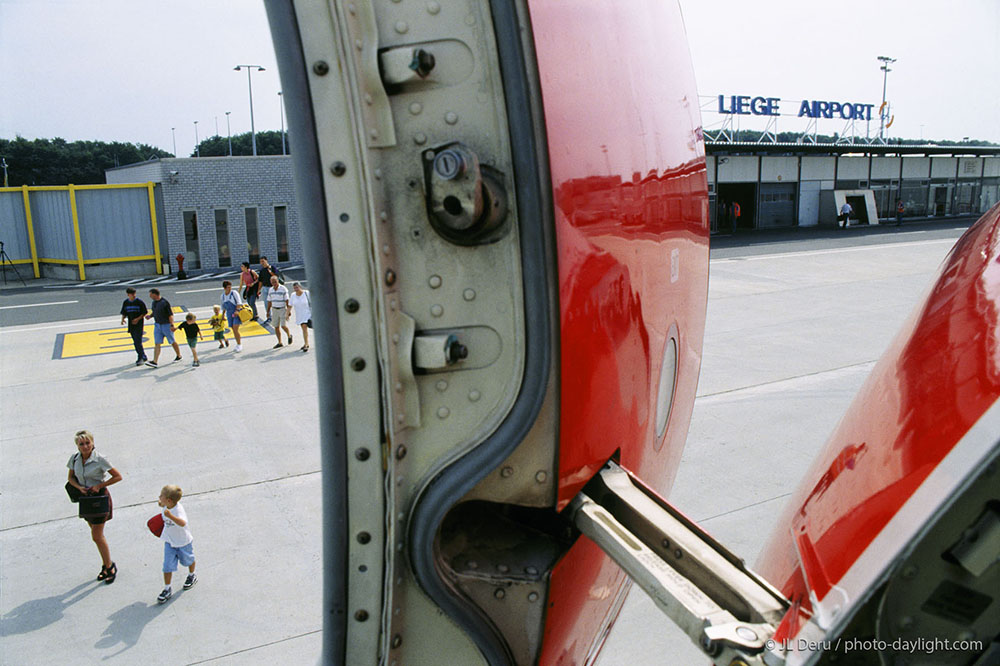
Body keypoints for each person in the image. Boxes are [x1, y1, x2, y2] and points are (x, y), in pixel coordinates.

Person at [66, 430, 123, 584]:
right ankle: (106, 564)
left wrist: (99, 485)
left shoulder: (100, 459)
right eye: (81, 444)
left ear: (92, 443)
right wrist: (79, 487)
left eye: (87, 443)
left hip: (99, 499)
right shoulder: (75, 458)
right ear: (77, 446)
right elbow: (70, 477)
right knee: (96, 534)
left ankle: (109, 567)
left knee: (97, 536)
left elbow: (118, 476)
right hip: (85, 500)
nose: (85, 446)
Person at [156, 485, 197, 604]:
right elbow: (162, 504)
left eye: (161, 496)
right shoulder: (166, 505)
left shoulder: (177, 510)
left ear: (169, 500)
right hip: (170, 542)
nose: (159, 497)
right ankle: (167, 588)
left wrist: (170, 516)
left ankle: (192, 575)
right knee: (167, 566)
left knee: (188, 560)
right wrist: (161, 504)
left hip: (183, 542)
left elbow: (183, 523)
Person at [144, 288, 181, 367]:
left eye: (150, 294)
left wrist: (172, 325)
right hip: (157, 325)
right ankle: (155, 361)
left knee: (172, 341)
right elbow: (155, 311)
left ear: (155, 294)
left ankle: (179, 355)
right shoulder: (154, 302)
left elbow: (170, 315)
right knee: (157, 343)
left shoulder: (165, 303)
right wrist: (150, 316)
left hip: (166, 325)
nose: (150, 296)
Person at [119, 287, 148, 367]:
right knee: (135, 341)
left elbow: (144, 312)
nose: (134, 295)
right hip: (131, 325)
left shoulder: (139, 302)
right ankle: (143, 355)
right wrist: (123, 319)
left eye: (134, 294)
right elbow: (124, 312)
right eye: (132, 294)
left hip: (138, 325)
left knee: (137, 341)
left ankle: (140, 357)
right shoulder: (126, 302)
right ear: (128, 295)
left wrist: (137, 319)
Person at [267, 274, 293, 348]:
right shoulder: (270, 290)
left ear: (278, 281)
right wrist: (268, 311)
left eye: (275, 282)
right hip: (274, 309)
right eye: (272, 282)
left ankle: (289, 335)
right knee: (276, 326)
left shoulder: (283, 289)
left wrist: (288, 311)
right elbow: (269, 301)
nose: (274, 283)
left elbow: (287, 300)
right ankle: (279, 342)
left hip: (282, 309)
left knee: (283, 325)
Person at [288, 282, 312, 352]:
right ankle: (306, 344)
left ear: (300, 287)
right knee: (304, 328)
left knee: (309, 328)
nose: (296, 289)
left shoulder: (306, 293)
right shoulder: (293, 295)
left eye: (297, 287)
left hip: (309, 314)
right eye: (294, 288)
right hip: (300, 315)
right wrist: (287, 313)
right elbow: (290, 305)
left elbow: (313, 301)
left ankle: (306, 344)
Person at [221, 281, 244, 352]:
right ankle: (238, 343)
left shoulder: (234, 293)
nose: (230, 288)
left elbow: (239, 302)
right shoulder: (223, 296)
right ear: (224, 288)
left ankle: (239, 344)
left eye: (230, 287)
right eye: (228, 287)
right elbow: (223, 306)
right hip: (229, 313)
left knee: (235, 328)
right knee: (233, 329)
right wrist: (223, 315)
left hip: (236, 312)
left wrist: (237, 310)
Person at [258, 257, 280, 322]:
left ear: (266, 261)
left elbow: (276, 276)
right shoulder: (262, 270)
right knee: (266, 303)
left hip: (272, 288)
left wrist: (270, 272)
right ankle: (269, 317)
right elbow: (260, 281)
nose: (262, 263)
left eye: (263, 261)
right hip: (265, 288)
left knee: (274, 302)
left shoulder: (272, 267)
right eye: (261, 261)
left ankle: (276, 316)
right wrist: (259, 290)